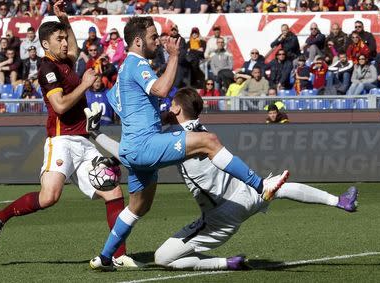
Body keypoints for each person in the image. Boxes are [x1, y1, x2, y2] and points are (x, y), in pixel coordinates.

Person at [88, 16, 289, 271]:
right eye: (152, 37)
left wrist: (155, 117)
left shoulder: (125, 70)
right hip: (144, 145)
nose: (157, 42)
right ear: (137, 41)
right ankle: (261, 187)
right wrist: (174, 56)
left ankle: (105, 257)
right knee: (208, 141)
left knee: (139, 206)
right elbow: (161, 90)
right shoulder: (137, 64)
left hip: (132, 148)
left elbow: (131, 108)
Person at [86, 88, 358, 271]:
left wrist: (96, 135)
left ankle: (225, 263)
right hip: (244, 193)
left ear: (178, 110)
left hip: (220, 215)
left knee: (162, 257)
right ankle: (339, 201)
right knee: (278, 187)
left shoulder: (177, 141)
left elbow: (130, 155)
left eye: (172, 105)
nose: (168, 107)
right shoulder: (199, 131)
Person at [0, 1, 139, 268]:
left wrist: (65, 21)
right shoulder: (47, 69)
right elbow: (60, 105)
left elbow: (76, 50)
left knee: (113, 193)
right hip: (62, 141)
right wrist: (86, 85)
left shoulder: (66, 60)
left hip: (84, 141)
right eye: (60, 39)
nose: (66, 43)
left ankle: (118, 254)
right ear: (46, 44)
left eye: (65, 38)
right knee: (49, 197)